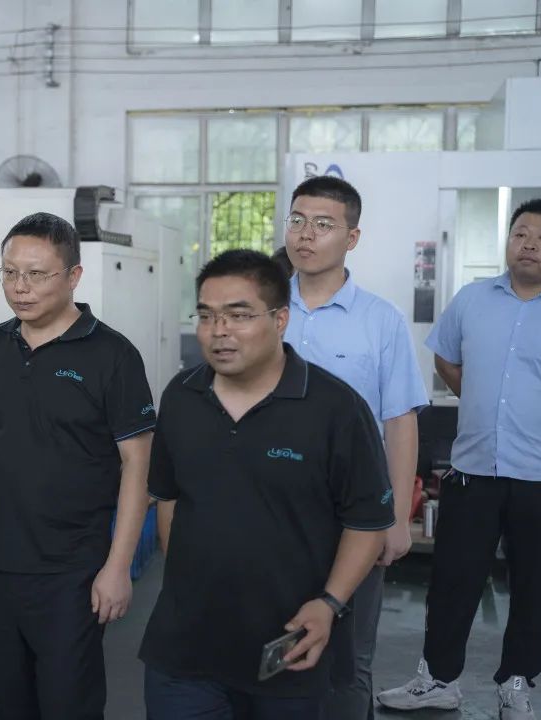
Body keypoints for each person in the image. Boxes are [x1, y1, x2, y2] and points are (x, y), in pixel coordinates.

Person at [142, 249, 393, 720]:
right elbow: (170, 499)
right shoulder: (181, 396)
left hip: (290, 645)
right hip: (186, 645)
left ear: (280, 320)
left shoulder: (335, 409)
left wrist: (330, 602)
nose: (219, 331)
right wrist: (188, 584)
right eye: (206, 315)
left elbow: (366, 523)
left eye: (239, 315)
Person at [377, 199, 541, 720]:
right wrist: (478, 397)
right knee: (453, 581)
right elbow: (445, 357)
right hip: (473, 470)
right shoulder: (472, 299)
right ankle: (437, 679)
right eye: (520, 233)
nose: (529, 244)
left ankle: (515, 685)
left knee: (534, 586)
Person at [0, 212, 155, 720]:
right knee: (4, 700)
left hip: (72, 571)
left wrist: (118, 567)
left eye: (37, 274)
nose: (20, 287)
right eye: (9, 273)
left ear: (73, 276)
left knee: (69, 703)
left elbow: (137, 462)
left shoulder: (113, 355)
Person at [282, 176, 428, 719]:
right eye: (297, 220)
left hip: (353, 515)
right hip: (268, 510)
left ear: (352, 237)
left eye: (323, 224)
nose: (306, 234)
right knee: (267, 648)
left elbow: (400, 422)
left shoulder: (380, 320)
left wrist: (396, 516)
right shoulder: (262, 309)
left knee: (348, 662)